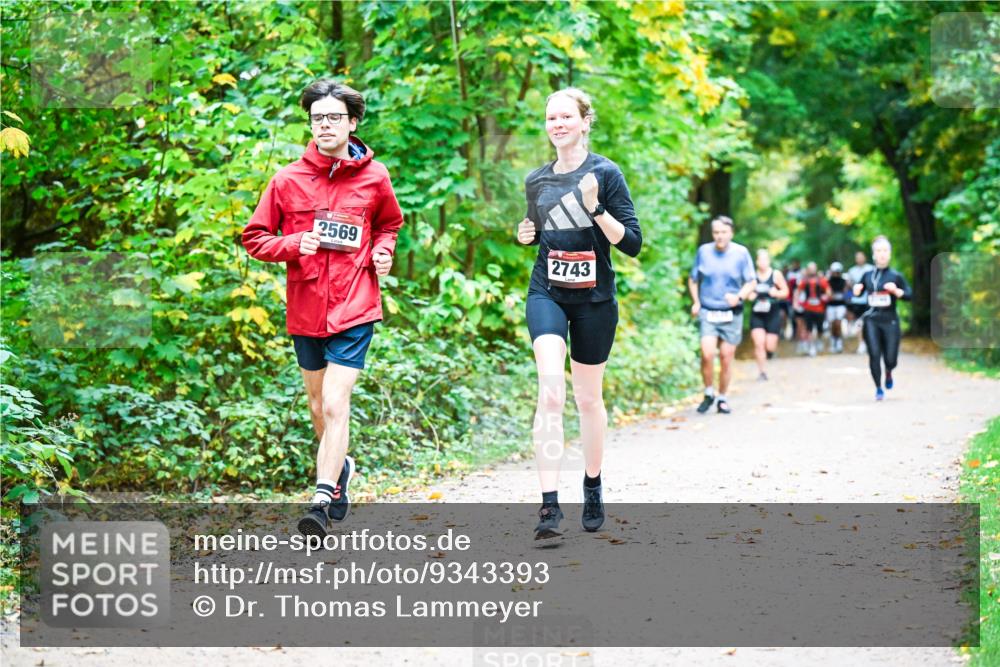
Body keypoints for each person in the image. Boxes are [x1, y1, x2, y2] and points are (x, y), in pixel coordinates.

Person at [242, 79, 404, 538]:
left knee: (336, 402)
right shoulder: (287, 180)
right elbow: (255, 238)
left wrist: (384, 251)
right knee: (318, 406)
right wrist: (295, 243)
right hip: (307, 307)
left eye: (334, 117)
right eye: (318, 118)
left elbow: (388, 223)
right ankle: (341, 468)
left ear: (352, 123)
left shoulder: (376, 177)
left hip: (355, 305)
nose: (325, 125)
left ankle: (320, 497)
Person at [515, 88, 641, 539]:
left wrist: (596, 208)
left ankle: (592, 482)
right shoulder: (537, 180)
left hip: (595, 300)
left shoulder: (606, 173)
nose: (558, 124)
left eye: (566, 115)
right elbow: (534, 229)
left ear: (585, 121)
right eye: (551, 117)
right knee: (551, 392)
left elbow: (632, 243)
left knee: (587, 399)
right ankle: (549, 507)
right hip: (547, 292)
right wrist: (525, 233)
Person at [688, 216, 756, 414]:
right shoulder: (704, 252)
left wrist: (739, 296)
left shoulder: (741, 253)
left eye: (723, 232)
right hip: (709, 310)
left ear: (731, 233)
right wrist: (696, 302)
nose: (719, 236)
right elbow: (693, 280)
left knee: (726, 357)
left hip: (731, 313)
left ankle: (723, 397)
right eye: (716, 233)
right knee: (707, 353)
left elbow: (751, 282)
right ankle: (709, 392)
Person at [852, 236, 911, 401]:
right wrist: (856, 290)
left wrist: (896, 291)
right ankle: (878, 387)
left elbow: (909, 295)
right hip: (871, 320)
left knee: (891, 358)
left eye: (885, 251)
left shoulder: (895, 276)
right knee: (874, 354)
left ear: (890, 254)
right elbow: (857, 292)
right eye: (879, 251)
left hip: (890, 320)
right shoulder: (867, 275)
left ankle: (889, 371)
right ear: (873, 255)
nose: (882, 254)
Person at [747, 249, 790, 381]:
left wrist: (776, 293)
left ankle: (769, 353)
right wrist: (751, 295)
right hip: (757, 314)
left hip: (773, 313)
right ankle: (762, 372)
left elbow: (786, 292)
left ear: (769, 261)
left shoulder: (775, 275)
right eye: (760, 260)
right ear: (757, 261)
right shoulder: (752, 275)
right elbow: (745, 293)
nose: (763, 262)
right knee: (759, 344)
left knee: (769, 345)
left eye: (765, 259)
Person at [794, 262, 828, 357]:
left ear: (816, 269)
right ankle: (812, 347)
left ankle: (819, 340)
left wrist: (826, 296)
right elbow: (797, 291)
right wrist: (796, 302)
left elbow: (828, 292)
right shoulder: (804, 281)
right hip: (808, 308)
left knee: (819, 328)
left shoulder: (822, 280)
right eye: (810, 268)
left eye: (813, 268)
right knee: (809, 328)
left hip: (820, 308)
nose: (812, 270)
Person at [846, 250, 874, 354]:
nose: (859, 259)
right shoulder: (852, 271)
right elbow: (848, 286)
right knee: (859, 323)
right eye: (857, 257)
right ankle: (861, 343)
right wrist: (849, 297)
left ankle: (870, 342)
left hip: (870, 300)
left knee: (869, 322)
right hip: (857, 301)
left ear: (865, 258)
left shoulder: (871, 269)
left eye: (861, 257)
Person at [826, 261, 849, 353]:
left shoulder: (844, 281)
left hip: (840, 305)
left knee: (838, 323)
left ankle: (839, 342)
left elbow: (847, 294)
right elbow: (827, 294)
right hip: (831, 306)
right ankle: (833, 341)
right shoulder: (828, 281)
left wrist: (846, 293)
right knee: (832, 324)